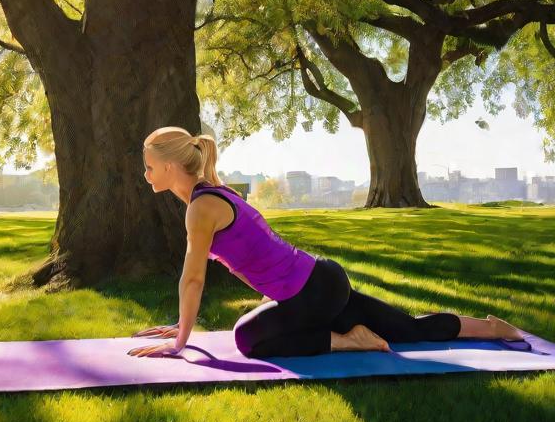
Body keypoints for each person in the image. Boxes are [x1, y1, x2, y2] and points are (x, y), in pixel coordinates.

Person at [128, 126, 524, 359]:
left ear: (167, 166)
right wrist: (181, 323)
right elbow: (258, 259)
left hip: (312, 294)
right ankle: (493, 330)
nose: (146, 175)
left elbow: (193, 279)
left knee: (247, 339)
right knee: (404, 328)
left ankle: (347, 341)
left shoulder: (201, 208)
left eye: (148, 167)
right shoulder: (217, 193)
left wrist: (180, 342)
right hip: (323, 280)